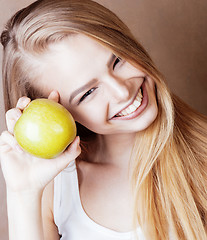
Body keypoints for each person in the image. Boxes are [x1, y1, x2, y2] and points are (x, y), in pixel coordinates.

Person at [0, 0, 206, 239]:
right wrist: (23, 193)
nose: (122, 91)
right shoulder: (55, 190)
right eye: (87, 93)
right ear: (57, 110)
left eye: (117, 61)